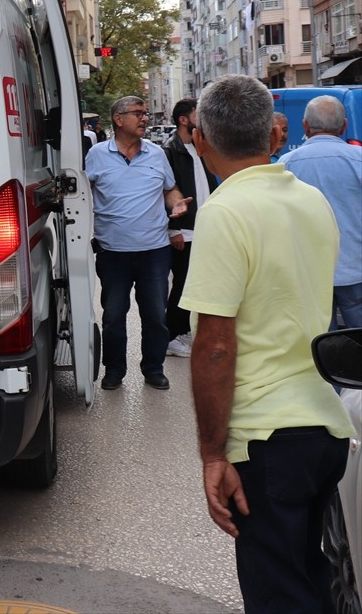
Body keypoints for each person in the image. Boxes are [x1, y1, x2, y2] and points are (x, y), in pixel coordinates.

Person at [180, 74, 354, 613]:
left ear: (201, 139)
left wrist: (213, 454)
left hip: (266, 439)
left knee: (279, 594)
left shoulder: (225, 212)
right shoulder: (311, 202)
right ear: (273, 135)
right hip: (323, 429)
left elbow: (213, 346)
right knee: (312, 578)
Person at [84, 95, 191, 392]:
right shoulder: (96, 155)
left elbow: (170, 190)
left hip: (154, 252)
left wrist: (177, 204)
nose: (144, 118)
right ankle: (115, 371)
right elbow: (81, 195)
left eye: (145, 113)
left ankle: (153, 369)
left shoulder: (157, 154)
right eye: (138, 113)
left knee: (156, 316)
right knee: (114, 316)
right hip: (113, 252)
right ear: (119, 119)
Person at [280, 95, 362, 330]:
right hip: (356, 267)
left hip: (308, 272)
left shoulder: (286, 164)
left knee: (322, 346)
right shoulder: (358, 160)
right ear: (344, 125)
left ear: (305, 126)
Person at [162, 99, 218, 358]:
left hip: (203, 227)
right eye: (197, 113)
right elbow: (166, 191)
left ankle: (183, 332)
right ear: (184, 119)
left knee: (196, 283)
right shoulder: (170, 150)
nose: (202, 117)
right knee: (183, 284)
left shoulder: (199, 147)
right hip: (184, 231)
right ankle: (172, 336)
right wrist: (174, 229)